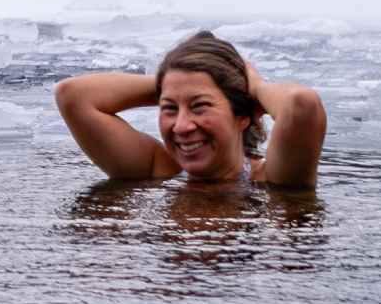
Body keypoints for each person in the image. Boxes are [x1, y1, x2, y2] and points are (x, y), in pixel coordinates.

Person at [54, 30, 326, 187]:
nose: (182, 126)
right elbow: (73, 95)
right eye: (170, 109)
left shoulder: (273, 180)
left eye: (200, 107)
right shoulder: (158, 170)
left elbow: (301, 104)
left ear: (242, 116)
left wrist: (252, 86)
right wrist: (176, 82)